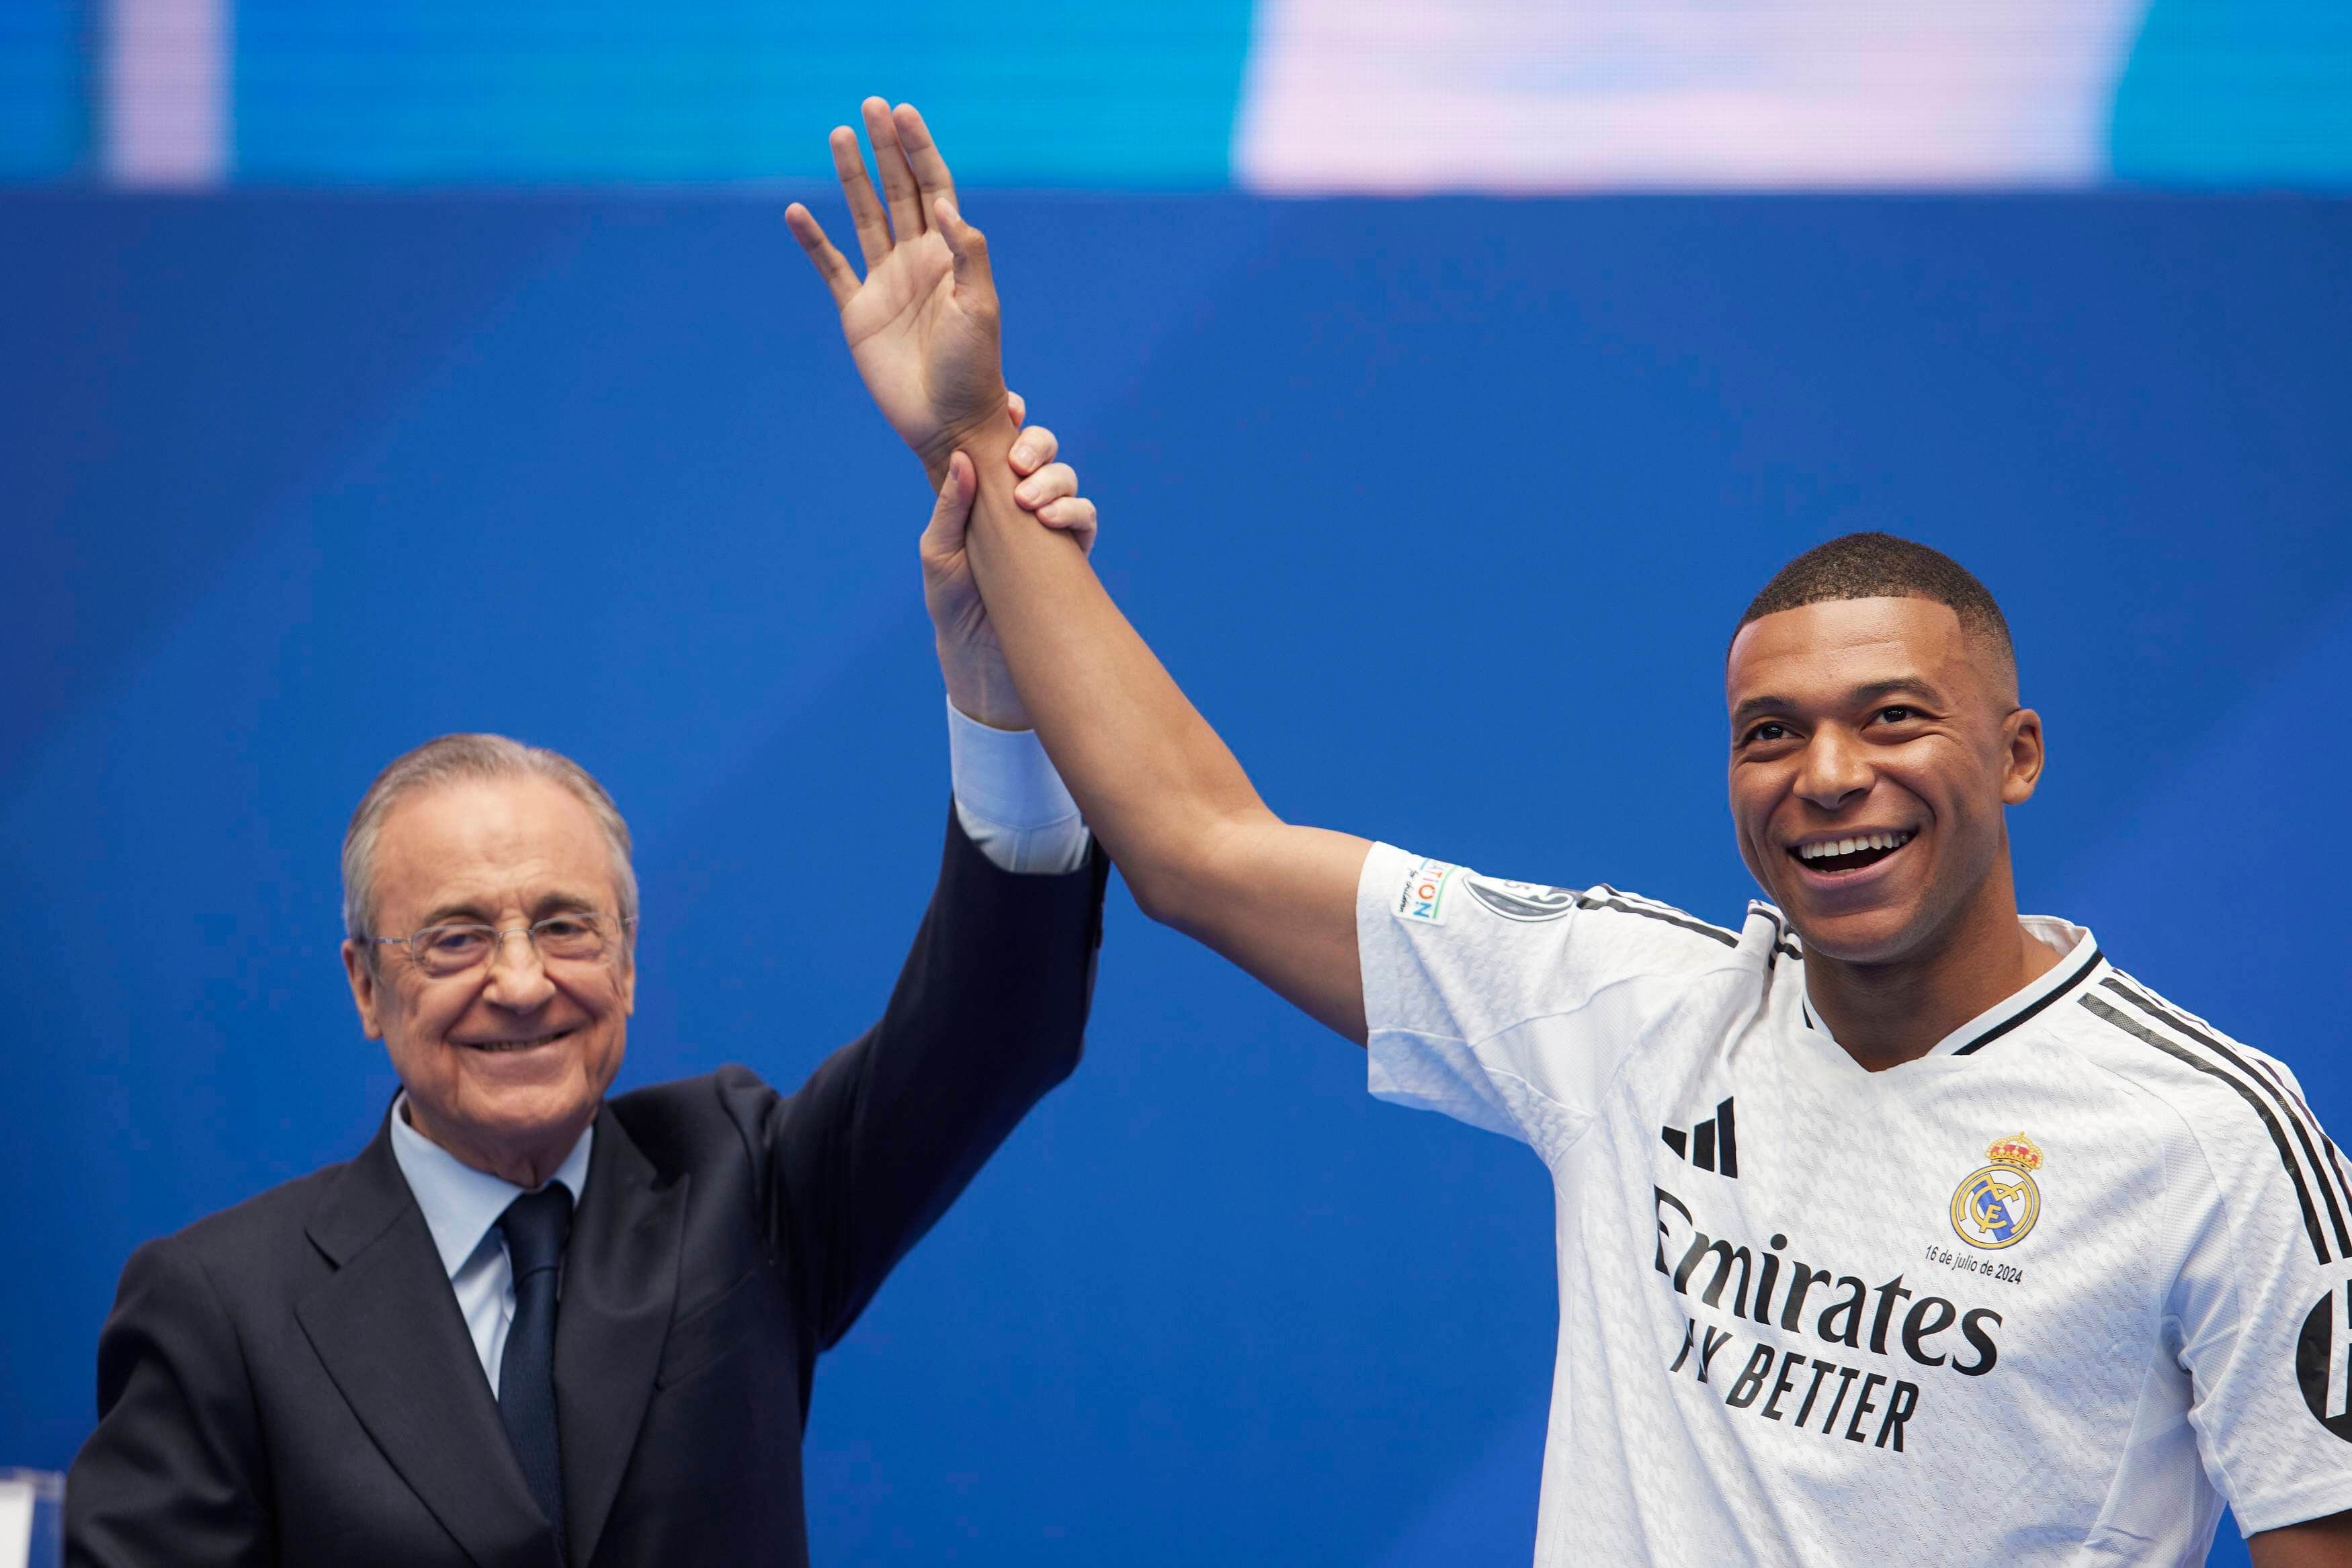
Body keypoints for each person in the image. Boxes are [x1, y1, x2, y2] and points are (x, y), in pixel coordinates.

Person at [786, 99, 2352, 1565]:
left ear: (2012, 754)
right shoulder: (1632, 1011)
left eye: (1890, 718)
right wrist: (971, 439)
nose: (1824, 774)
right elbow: (1198, 846)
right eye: (1768, 734)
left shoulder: (2212, 1139)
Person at [65, 413, 1108, 1568]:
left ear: (626, 955)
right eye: (455, 939)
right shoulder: (223, 1305)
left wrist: (1001, 684)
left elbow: (991, 1024)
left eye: (564, 926)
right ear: (366, 983)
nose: (522, 982)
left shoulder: (741, 1187)